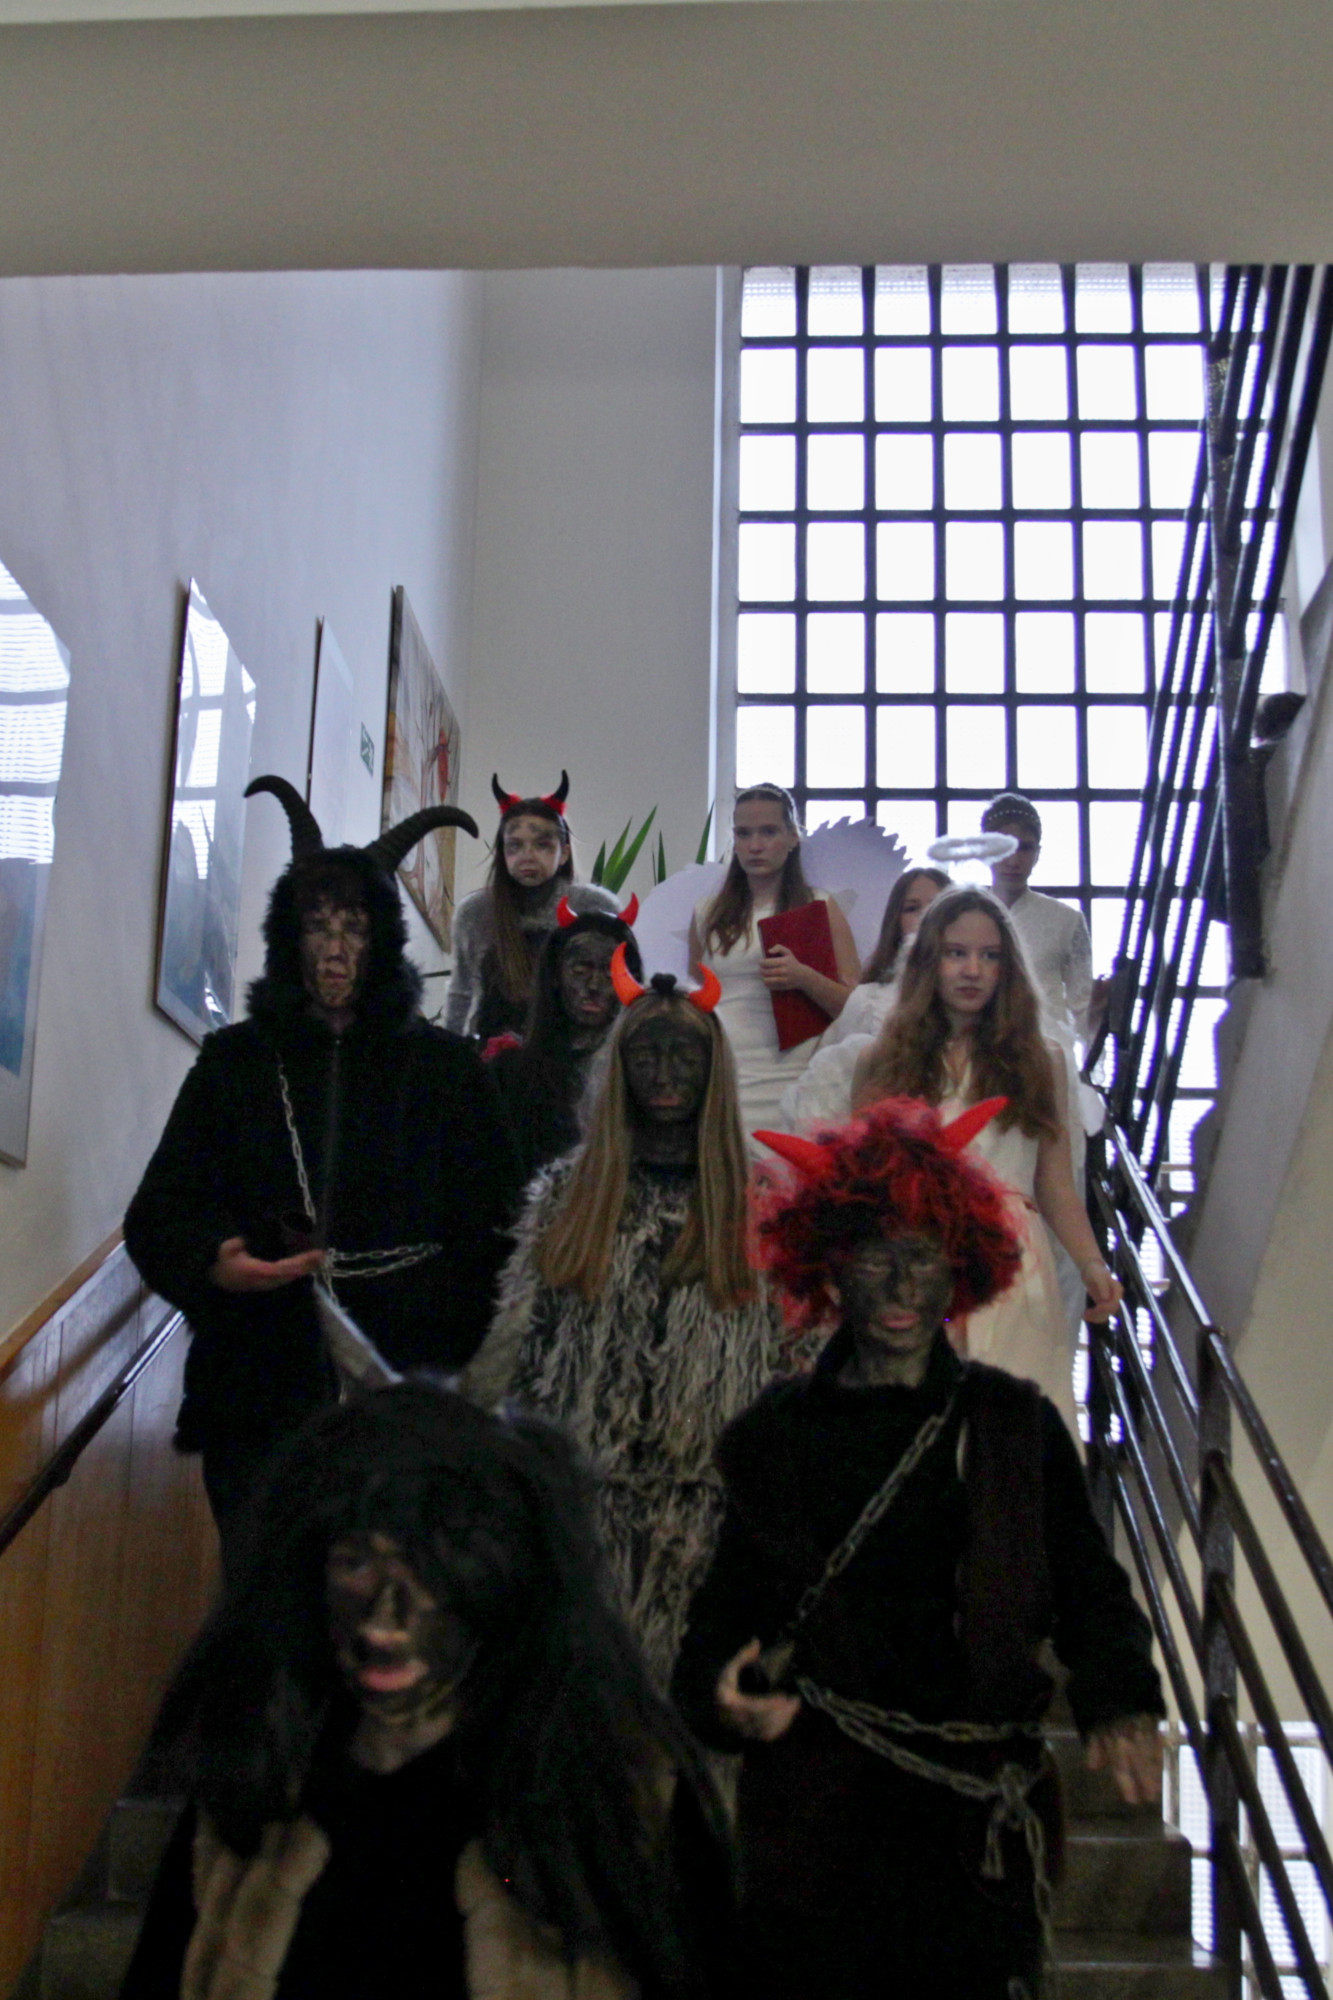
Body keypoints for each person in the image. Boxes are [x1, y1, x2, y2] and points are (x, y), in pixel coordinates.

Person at [672, 1098, 1164, 2000]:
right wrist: (720, 1691)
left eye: (922, 1257)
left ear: (959, 1266)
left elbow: (1090, 1588)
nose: (899, 1285)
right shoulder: (775, 1435)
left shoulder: (1014, 1426)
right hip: (818, 1824)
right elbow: (725, 1613)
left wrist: (1120, 1696)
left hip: (978, 1832)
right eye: (873, 1258)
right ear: (830, 1267)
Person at [119, 1379, 735, 2000]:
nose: (385, 1621)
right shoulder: (256, 1787)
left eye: (430, 1567)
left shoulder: (618, 1797)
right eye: (356, 1563)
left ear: (499, 1575)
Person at [123, 776, 520, 1561]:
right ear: (288, 937)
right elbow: (159, 1213)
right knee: (269, 1600)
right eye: (316, 925)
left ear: (383, 941)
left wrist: (442, 1336)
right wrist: (214, 1263)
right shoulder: (235, 1063)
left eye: (354, 926)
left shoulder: (448, 1071)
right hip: (259, 1392)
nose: (335, 946)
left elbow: (502, 1232)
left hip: (408, 1395)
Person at [462, 950, 783, 1684]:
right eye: (646, 1056)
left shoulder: (761, 1208)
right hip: (586, 1512)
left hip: (713, 1520)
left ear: (712, 1070)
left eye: (684, 1057)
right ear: (620, 1070)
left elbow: (789, 1365)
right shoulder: (567, 1197)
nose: (665, 1074)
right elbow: (520, 1348)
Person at [849, 886, 1122, 1436]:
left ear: (1008, 969)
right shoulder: (882, 1061)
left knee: (1015, 1426)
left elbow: (1055, 1185)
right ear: (929, 961)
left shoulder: (1041, 1061)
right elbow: (861, 1185)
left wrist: (1093, 1265)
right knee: (922, 1429)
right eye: (956, 953)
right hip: (917, 1259)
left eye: (990, 955)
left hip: (1013, 1261)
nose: (972, 969)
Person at [688, 783, 860, 1145]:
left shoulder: (819, 907)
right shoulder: (707, 913)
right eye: (743, 833)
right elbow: (697, 996)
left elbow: (856, 1008)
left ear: (793, 836)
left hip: (795, 1077)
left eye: (768, 832)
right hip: (723, 1073)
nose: (755, 845)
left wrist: (805, 978)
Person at [446, 772, 619, 1040]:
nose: (527, 856)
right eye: (514, 846)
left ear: (564, 853)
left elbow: (615, 986)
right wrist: (451, 1050)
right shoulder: (475, 913)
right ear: (502, 853)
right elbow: (462, 991)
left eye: (542, 845)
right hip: (490, 1050)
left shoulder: (594, 907)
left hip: (571, 1049)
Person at [777, 864, 951, 1131]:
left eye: (937, 907)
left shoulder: (973, 999)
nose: (925, 918)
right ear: (896, 920)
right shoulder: (868, 1001)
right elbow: (832, 1087)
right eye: (912, 908)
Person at [487, 896, 643, 1184]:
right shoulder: (512, 1074)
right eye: (580, 970)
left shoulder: (640, 1075)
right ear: (556, 976)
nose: (594, 985)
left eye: (611, 972)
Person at [981, 793, 1105, 1047]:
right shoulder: (963, 917)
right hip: (978, 1050)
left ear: (1037, 853)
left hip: (1047, 1053)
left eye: (1025, 848)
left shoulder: (1066, 921)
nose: (1013, 860)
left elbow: (1082, 1008)